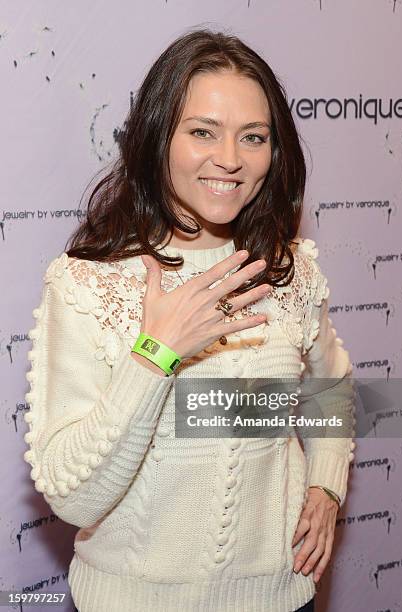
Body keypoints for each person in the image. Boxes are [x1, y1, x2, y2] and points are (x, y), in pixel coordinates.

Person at [23, 28, 356, 612]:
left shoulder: (287, 270)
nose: (230, 159)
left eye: (252, 137)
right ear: (157, 139)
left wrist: (326, 482)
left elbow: (332, 384)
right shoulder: (88, 284)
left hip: (281, 598)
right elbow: (74, 499)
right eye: (203, 132)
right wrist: (156, 354)